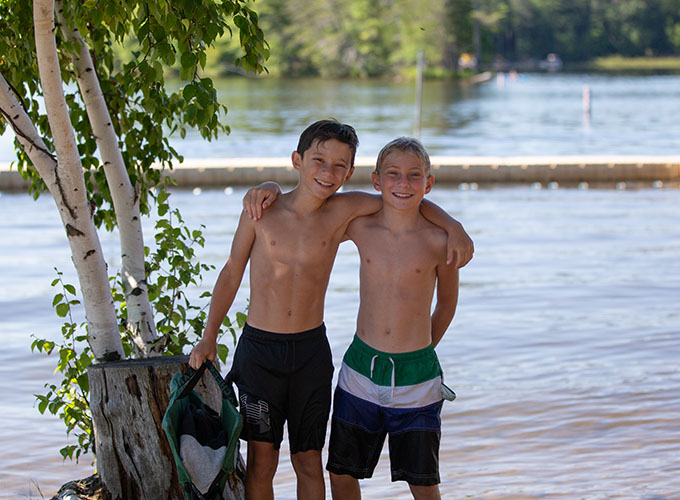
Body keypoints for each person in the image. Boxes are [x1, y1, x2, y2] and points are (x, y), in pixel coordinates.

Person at [189, 120, 472, 500]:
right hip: (260, 352)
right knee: (261, 461)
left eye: (340, 165)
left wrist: (453, 225)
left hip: (310, 353)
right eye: (319, 160)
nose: (328, 172)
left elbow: (403, 197)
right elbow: (230, 272)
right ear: (297, 160)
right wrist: (209, 337)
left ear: (352, 173)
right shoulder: (262, 211)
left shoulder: (343, 211)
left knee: (309, 460)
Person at [326, 137, 460, 500]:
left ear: (428, 184)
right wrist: (269, 189)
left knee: (422, 481)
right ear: (376, 181)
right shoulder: (361, 227)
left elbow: (447, 303)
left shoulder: (439, 240)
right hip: (360, 372)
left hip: (417, 378)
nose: (403, 184)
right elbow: (312, 216)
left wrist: (420, 349)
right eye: (394, 175)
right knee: (341, 472)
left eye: (414, 176)